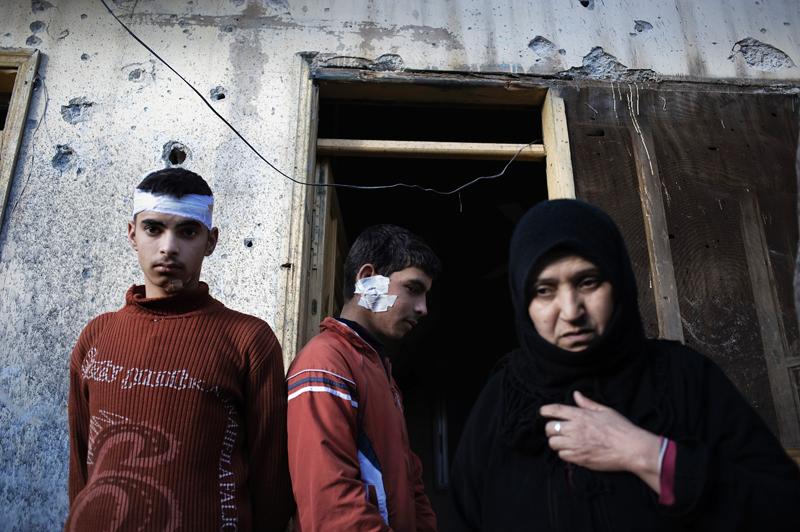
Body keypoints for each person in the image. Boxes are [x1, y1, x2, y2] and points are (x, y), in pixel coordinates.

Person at [449, 199, 800, 531]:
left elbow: (783, 509)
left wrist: (651, 456)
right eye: (544, 290)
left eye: (588, 282)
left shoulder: (684, 378)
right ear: (522, 301)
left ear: (618, 283)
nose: (571, 312)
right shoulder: (505, 399)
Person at [66, 168, 293, 531]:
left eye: (187, 231)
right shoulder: (96, 336)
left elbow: (272, 481)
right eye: (153, 229)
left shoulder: (248, 340)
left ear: (211, 241)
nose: (169, 247)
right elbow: (81, 468)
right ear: (132, 234)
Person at [287, 224, 441, 531]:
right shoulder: (325, 363)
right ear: (367, 278)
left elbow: (412, 482)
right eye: (412, 288)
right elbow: (331, 507)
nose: (423, 308)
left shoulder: (379, 369)